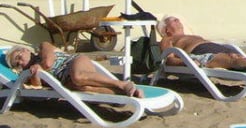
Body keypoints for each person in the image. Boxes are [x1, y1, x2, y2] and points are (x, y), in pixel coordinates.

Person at [4, 42, 143, 97]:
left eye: (18, 56)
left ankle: (122, 84)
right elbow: (37, 88)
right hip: (68, 82)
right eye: (17, 64)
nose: (20, 62)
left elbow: (48, 62)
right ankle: (128, 93)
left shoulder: (43, 47)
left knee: (78, 77)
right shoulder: (29, 73)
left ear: (24, 50)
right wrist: (34, 75)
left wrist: (38, 68)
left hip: (73, 62)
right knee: (85, 87)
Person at [157, 15, 246, 73]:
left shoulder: (193, 36)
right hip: (198, 51)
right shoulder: (167, 39)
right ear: (166, 29)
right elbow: (168, 59)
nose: (178, 21)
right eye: (173, 20)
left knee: (234, 56)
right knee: (230, 58)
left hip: (211, 46)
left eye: (178, 19)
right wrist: (187, 62)